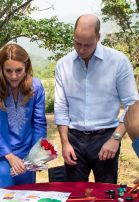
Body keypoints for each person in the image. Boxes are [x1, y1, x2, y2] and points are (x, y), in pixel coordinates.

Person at [54, 14, 138, 184]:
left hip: (106, 136)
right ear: (74, 36)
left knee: (106, 196)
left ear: (98, 38)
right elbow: (61, 107)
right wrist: (65, 143)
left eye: (88, 44)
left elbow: (133, 106)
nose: (82, 49)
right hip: (74, 139)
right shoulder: (63, 65)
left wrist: (115, 139)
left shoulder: (118, 61)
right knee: (74, 195)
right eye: (77, 43)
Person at [0, 43, 47, 190]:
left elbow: (39, 123)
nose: (13, 76)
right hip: (2, 154)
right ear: (1, 69)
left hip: (27, 154)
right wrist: (9, 156)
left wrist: (37, 154)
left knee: (26, 201)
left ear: (26, 67)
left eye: (19, 70)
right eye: (8, 71)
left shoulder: (36, 87)